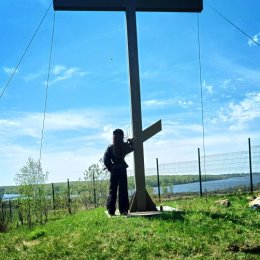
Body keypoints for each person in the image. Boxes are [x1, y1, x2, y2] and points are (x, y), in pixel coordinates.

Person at [103, 129, 134, 216]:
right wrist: (130, 142)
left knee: (112, 190)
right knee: (123, 190)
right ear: (122, 136)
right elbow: (133, 147)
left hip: (114, 171)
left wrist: (110, 168)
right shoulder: (124, 146)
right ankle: (123, 210)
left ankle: (111, 210)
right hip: (122, 170)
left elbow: (105, 159)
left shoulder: (110, 148)